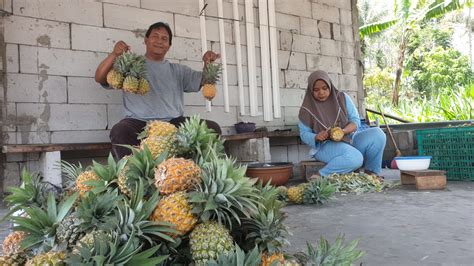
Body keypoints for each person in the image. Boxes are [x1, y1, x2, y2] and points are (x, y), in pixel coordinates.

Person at [95, 21, 222, 159]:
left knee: (212, 128)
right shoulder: (131, 65)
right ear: (146, 40)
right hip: (138, 122)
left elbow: (203, 80)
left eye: (164, 39)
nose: (159, 41)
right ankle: (132, 176)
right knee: (119, 131)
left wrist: (207, 63)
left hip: (173, 122)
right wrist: (114, 54)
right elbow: (100, 78)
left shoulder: (178, 70)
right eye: (155, 36)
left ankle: (198, 173)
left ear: (169, 46)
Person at [298, 70, 386, 178]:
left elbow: (355, 121)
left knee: (378, 134)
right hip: (325, 146)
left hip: (348, 138)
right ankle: (320, 175)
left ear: (330, 86)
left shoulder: (342, 98)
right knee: (355, 158)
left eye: (324, 88)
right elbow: (304, 134)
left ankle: (371, 174)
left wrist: (343, 131)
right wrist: (316, 136)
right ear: (311, 90)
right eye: (316, 90)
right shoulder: (306, 109)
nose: (321, 92)